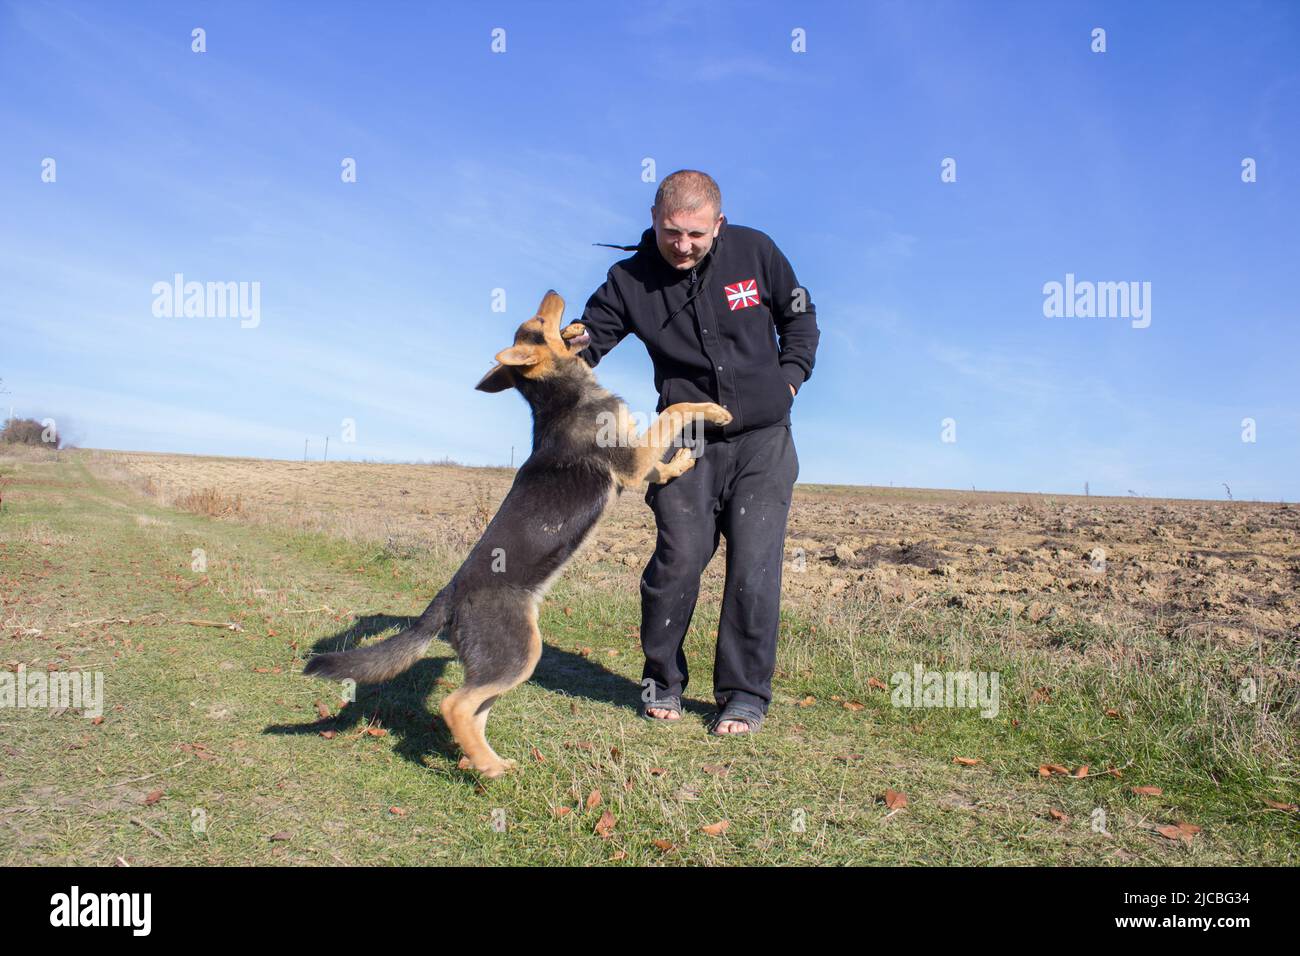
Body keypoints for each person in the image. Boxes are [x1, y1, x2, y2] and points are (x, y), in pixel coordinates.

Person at [570, 169, 819, 734]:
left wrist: (788, 380)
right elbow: (593, 337)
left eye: (696, 235)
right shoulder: (628, 279)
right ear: (654, 220)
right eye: (671, 232)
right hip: (685, 442)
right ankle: (661, 678)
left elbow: (800, 318)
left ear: (719, 226)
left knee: (754, 568)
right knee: (678, 559)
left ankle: (744, 695)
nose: (683, 246)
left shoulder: (758, 252)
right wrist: (573, 346)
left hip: (763, 441)